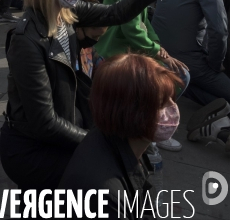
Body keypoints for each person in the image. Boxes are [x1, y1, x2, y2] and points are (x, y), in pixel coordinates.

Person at [0, 0, 172, 191]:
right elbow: (44, 122)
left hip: (65, 125)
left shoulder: (65, 11)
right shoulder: (26, 41)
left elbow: (116, 13)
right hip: (32, 149)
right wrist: (102, 144)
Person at [59, 53, 183, 219]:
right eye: (161, 104)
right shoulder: (105, 196)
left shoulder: (117, 141)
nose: (172, 108)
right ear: (130, 112)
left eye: (171, 98)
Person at [95, 0, 188, 151]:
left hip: (128, 46)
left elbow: (143, 22)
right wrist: (155, 50)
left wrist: (157, 45)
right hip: (116, 50)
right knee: (178, 76)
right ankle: (153, 126)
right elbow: (132, 28)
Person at [153, 0, 230, 107]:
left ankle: (182, 85)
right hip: (188, 58)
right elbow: (219, 30)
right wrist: (215, 64)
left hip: (162, 53)